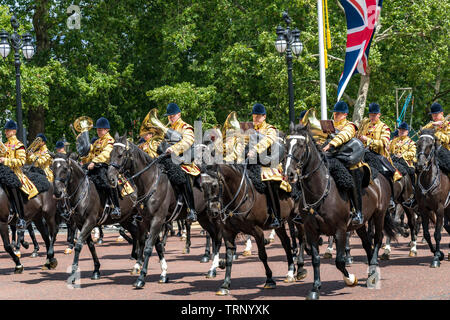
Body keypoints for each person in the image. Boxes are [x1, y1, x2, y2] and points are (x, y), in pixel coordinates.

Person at [323, 101, 365, 226]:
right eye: (335, 113)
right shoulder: (328, 125)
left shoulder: (350, 126)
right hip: (332, 157)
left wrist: (331, 144)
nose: (335, 115)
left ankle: (358, 212)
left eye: (338, 113)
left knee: (353, 183)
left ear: (345, 114)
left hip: (349, 159)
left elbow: (344, 136)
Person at [246, 103, 286, 228]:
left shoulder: (270, 129)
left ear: (264, 117)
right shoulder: (250, 129)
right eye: (254, 116)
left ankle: (276, 216)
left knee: (270, 184)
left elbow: (268, 140)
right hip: (252, 163)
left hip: (269, 164)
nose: (255, 119)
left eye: (258, 117)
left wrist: (255, 149)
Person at [357, 102, 401, 209]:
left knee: (386, 173)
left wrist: (368, 140)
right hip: (362, 153)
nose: (372, 117)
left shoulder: (384, 127)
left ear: (379, 115)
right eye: (370, 115)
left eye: (374, 115)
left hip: (378, 155)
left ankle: (390, 199)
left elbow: (384, 143)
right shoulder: (365, 124)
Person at [164, 103, 200, 223]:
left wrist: (173, 149)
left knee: (183, 175)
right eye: (169, 116)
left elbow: (187, 141)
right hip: (170, 160)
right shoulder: (167, 128)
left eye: (172, 115)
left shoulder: (186, 127)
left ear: (179, 114)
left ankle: (192, 209)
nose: (170, 118)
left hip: (185, 160)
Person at [0, 120, 39, 230]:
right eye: (5, 130)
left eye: (7, 130)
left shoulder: (19, 145)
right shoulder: (4, 145)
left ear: (13, 131)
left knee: (13, 187)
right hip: (3, 172)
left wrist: (5, 160)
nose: (5, 132)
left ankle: (21, 217)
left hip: (15, 173)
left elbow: (22, 161)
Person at [80, 117, 121, 219]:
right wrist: (85, 157)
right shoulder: (97, 141)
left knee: (107, 182)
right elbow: (91, 154)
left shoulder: (110, 140)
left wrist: (94, 162)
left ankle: (115, 206)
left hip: (105, 166)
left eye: (100, 129)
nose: (98, 131)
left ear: (107, 130)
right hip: (94, 165)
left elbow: (106, 154)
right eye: (97, 129)